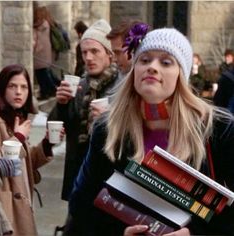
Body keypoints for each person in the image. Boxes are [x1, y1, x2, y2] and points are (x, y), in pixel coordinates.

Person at [64, 26, 234, 236]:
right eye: (144, 60)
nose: (152, 67)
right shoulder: (108, 129)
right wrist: (121, 233)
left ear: (182, 74)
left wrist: (193, 233)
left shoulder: (218, 129)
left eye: (165, 62)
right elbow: (81, 206)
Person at [48, 19, 119, 202]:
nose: (88, 57)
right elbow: (56, 126)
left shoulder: (122, 87)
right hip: (78, 175)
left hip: (109, 176)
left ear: (109, 54)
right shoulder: (79, 85)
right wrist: (62, 103)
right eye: (84, 52)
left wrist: (108, 119)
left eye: (94, 51)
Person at [0, 64, 63, 236]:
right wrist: (18, 138)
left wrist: (47, 144)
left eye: (24, 87)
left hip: (22, 203)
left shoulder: (16, 118)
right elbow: (1, 162)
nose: (19, 92)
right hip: (6, 208)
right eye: (12, 86)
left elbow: (25, 162)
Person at [33, 6, 60, 100]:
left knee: (41, 75)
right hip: (46, 53)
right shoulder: (47, 23)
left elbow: (35, 41)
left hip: (40, 53)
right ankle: (51, 90)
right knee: (45, 73)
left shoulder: (39, 25)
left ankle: (48, 91)